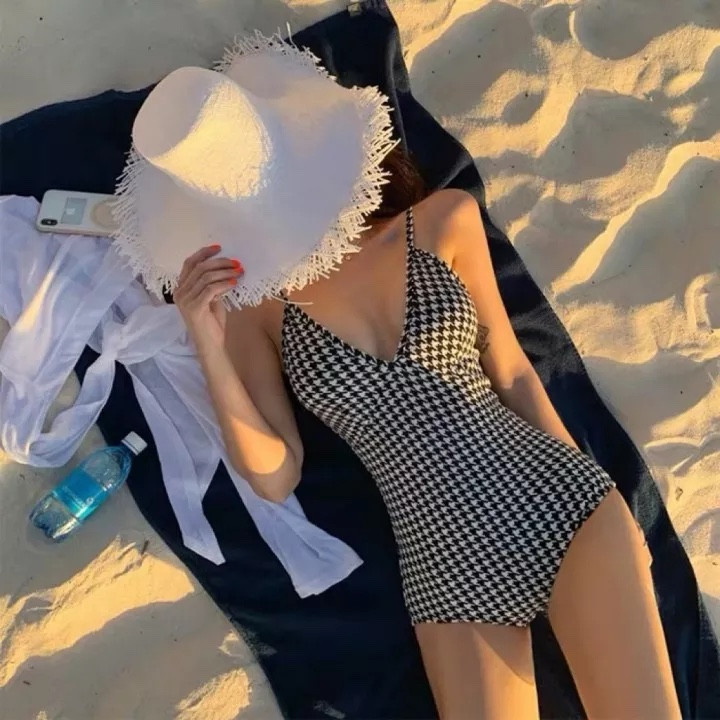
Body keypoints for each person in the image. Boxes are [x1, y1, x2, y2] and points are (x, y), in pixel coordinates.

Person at [112, 32, 682, 719]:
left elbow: (513, 372)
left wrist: (608, 506)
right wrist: (206, 342)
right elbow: (277, 475)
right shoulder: (256, 309)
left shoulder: (442, 220)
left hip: (558, 498)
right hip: (445, 560)